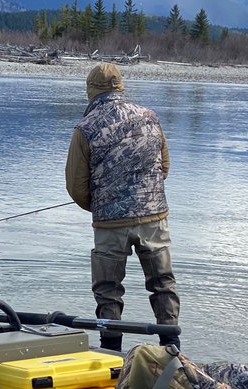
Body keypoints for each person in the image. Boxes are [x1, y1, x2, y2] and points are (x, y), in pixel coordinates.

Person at [65, 62, 180, 352]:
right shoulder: (150, 117)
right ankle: (172, 348)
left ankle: (111, 351)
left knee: (108, 290)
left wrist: (101, 206)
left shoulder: (85, 128)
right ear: (120, 87)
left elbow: (75, 186)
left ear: (91, 91)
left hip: (110, 224)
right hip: (153, 217)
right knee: (162, 282)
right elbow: (164, 167)